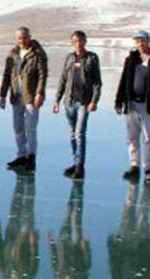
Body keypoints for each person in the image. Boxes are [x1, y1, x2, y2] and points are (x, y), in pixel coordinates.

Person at [115, 31, 150, 184]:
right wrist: (119, 101)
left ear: (149, 41)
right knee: (132, 137)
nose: (140, 44)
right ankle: (134, 166)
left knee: (147, 138)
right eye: (138, 41)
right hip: (132, 104)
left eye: (143, 41)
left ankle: (148, 169)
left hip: (149, 105)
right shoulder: (131, 59)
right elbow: (124, 80)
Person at [52, 30, 102, 180]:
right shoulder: (69, 58)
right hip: (69, 101)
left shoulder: (92, 58)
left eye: (80, 41)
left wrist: (94, 101)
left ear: (85, 41)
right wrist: (57, 100)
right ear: (72, 43)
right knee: (72, 133)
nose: (78, 44)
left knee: (80, 133)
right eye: (75, 41)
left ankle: (80, 167)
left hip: (84, 102)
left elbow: (97, 82)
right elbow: (62, 79)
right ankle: (75, 162)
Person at [0, 26, 48, 172]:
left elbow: (42, 75)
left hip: (31, 97)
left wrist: (40, 93)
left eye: (24, 37)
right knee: (18, 128)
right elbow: (7, 75)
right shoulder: (13, 54)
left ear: (29, 37)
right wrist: (2, 94)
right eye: (19, 38)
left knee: (30, 129)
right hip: (16, 96)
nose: (22, 40)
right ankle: (21, 155)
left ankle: (31, 158)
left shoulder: (38, 53)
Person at [107, 180, 150, 279]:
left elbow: (114, 264)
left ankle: (133, 186)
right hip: (142, 244)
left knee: (128, 211)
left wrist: (112, 245)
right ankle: (146, 189)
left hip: (125, 243)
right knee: (143, 213)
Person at [48, 181, 92, 279]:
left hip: (63, 244)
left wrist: (51, 244)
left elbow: (54, 260)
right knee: (76, 218)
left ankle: (74, 191)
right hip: (76, 247)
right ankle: (79, 192)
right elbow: (87, 264)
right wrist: (86, 249)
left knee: (68, 215)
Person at [0, 173, 39, 279]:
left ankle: (20, 181)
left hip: (11, 235)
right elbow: (34, 259)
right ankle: (29, 181)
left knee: (15, 205)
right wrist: (33, 242)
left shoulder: (5, 272)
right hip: (25, 238)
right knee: (27, 207)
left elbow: (0, 253)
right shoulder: (28, 276)